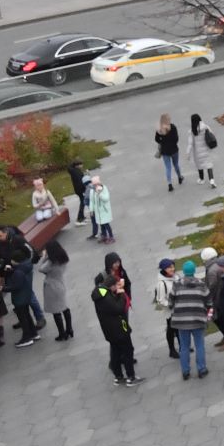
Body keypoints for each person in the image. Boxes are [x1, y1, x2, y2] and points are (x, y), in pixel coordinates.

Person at [92, 252, 140, 386]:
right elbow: (117, 308)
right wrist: (121, 295)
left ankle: (118, 376)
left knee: (116, 348)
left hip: (109, 329)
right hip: (118, 328)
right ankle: (131, 377)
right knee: (127, 349)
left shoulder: (100, 296)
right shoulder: (108, 298)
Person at [169, 257, 213, 380]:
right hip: (198, 320)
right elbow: (209, 302)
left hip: (181, 322)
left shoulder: (177, 285)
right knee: (199, 345)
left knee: (184, 347)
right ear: (194, 271)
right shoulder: (201, 285)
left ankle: (185, 371)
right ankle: (201, 369)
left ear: (183, 271)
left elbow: (170, 301)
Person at [5, 251, 41, 347]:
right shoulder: (25, 267)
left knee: (23, 318)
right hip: (26, 296)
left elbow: (16, 286)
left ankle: (26, 338)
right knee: (27, 316)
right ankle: (33, 333)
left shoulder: (18, 272)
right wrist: (11, 271)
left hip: (19, 298)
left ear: (16, 261)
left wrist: (3, 288)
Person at [42, 239, 74, 341]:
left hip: (51, 286)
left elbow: (41, 269)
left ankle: (62, 333)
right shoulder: (63, 257)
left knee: (56, 311)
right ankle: (69, 329)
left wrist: (44, 257)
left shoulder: (51, 261)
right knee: (64, 307)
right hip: (60, 283)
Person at [155, 257, 181, 359]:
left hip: (178, 308)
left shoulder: (176, 277)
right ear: (163, 269)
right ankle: (172, 350)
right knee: (171, 329)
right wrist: (171, 304)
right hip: (170, 311)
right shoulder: (161, 284)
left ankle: (183, 346)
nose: (172, 269)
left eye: (172, 266)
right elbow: (160, 301)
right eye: (169, 268)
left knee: (180, 327)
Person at [186, 112, 217, 187]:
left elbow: (190, 143)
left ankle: (201, 179)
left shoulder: (192, 131)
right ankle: (212, 181)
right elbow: (212, 134)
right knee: (209, 165)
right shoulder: (205, 127)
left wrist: (188, 153)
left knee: (199, 166)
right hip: (206, 150)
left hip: (197, 152)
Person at [155, 114, 183, 192]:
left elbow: (156, 139)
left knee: (168, 168)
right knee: (176, 164)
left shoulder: (159, 130)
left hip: (165, 151)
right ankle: (180, 177)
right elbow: (176, 139)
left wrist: (162, 141)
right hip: (174, 150)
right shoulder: (173, 127)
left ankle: (169, 184)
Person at [90, 175, 115, 243]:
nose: (96, 186)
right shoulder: (92, 191)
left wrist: (99, 194)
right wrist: (91, 210)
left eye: (97, 184)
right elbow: (92, 201)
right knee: (101, 224)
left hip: (104, 211)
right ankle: (104, 236)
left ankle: (111, 236)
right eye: (94, 184)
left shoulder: (104, 189)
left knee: (106, 224)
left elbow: (106, 199)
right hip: (98, 212)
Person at [67, 158, 90, 226]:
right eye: (81, 164)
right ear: (77, 165)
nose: (82, 166)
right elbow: (81, 180)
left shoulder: (73, 170)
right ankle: (79, 219)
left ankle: (82, 217)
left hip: (78, 190)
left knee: (82, 202)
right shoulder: (76, 172)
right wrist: (87, 175)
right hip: (80, 190)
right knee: (83, 203)